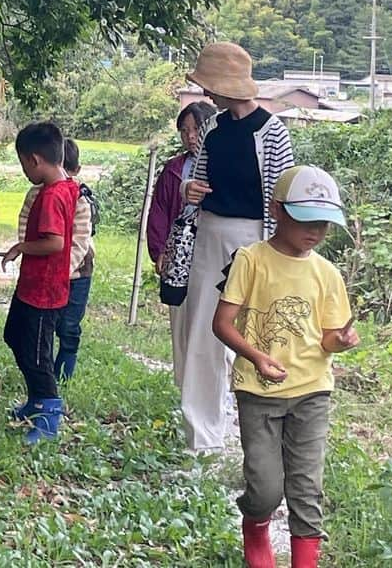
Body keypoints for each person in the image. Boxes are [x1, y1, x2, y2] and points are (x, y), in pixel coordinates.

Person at [213, 165, 359, 568]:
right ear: (277, 210)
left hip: (312, 390)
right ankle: (256, 525)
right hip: (258, 393)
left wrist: (341, 342)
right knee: (264, 488)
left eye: (323, 225)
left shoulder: (327, 274)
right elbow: (222, 323)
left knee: (306, 487)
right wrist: (256, 356)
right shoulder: (251, 260)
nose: (314, 232)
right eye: (304, 220)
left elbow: (328, 337)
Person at [177, 42, 295, 452]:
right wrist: (189, 189)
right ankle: (202, 437)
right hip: (209, 234)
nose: (207, 95)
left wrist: (279, 251)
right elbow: (198, 180)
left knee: (257, 335)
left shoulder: (272, 131)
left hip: (254, 239)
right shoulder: (214, 128)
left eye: (210, 86)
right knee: (203, 335)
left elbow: (282, 197)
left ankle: (260, 436)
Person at [1, 121, 79, 443]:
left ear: (34, 159)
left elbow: (55, 243)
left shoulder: (51, 197)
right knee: (14, 336)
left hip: (44, 292)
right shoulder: (67, 187)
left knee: (36, 354)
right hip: (33, 286)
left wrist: (20, 247)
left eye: (22, 164)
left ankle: (47, 415)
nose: (24, 171)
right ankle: (35, 400)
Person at [147, 100, 218, 387]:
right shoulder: (174, 168)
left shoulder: (221, 166)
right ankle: (184, 384)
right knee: (180, 318)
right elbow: (159, 211)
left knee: (211, 320)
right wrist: (159, 251)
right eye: (184, 130)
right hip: (179, 254)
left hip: (212, 251)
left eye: (196, 128)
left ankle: (212, 388)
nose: (190, 136)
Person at [19, 138, 97, 382]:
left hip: (77, 274)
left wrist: (63, 269)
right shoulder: (36, 195)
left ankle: (63, 376)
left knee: (69, 327)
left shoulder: (79, 199)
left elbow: (80, 241)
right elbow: (26, 226)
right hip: (46, 275)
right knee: (44, 327)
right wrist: (30, 251)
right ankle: (46, 376)